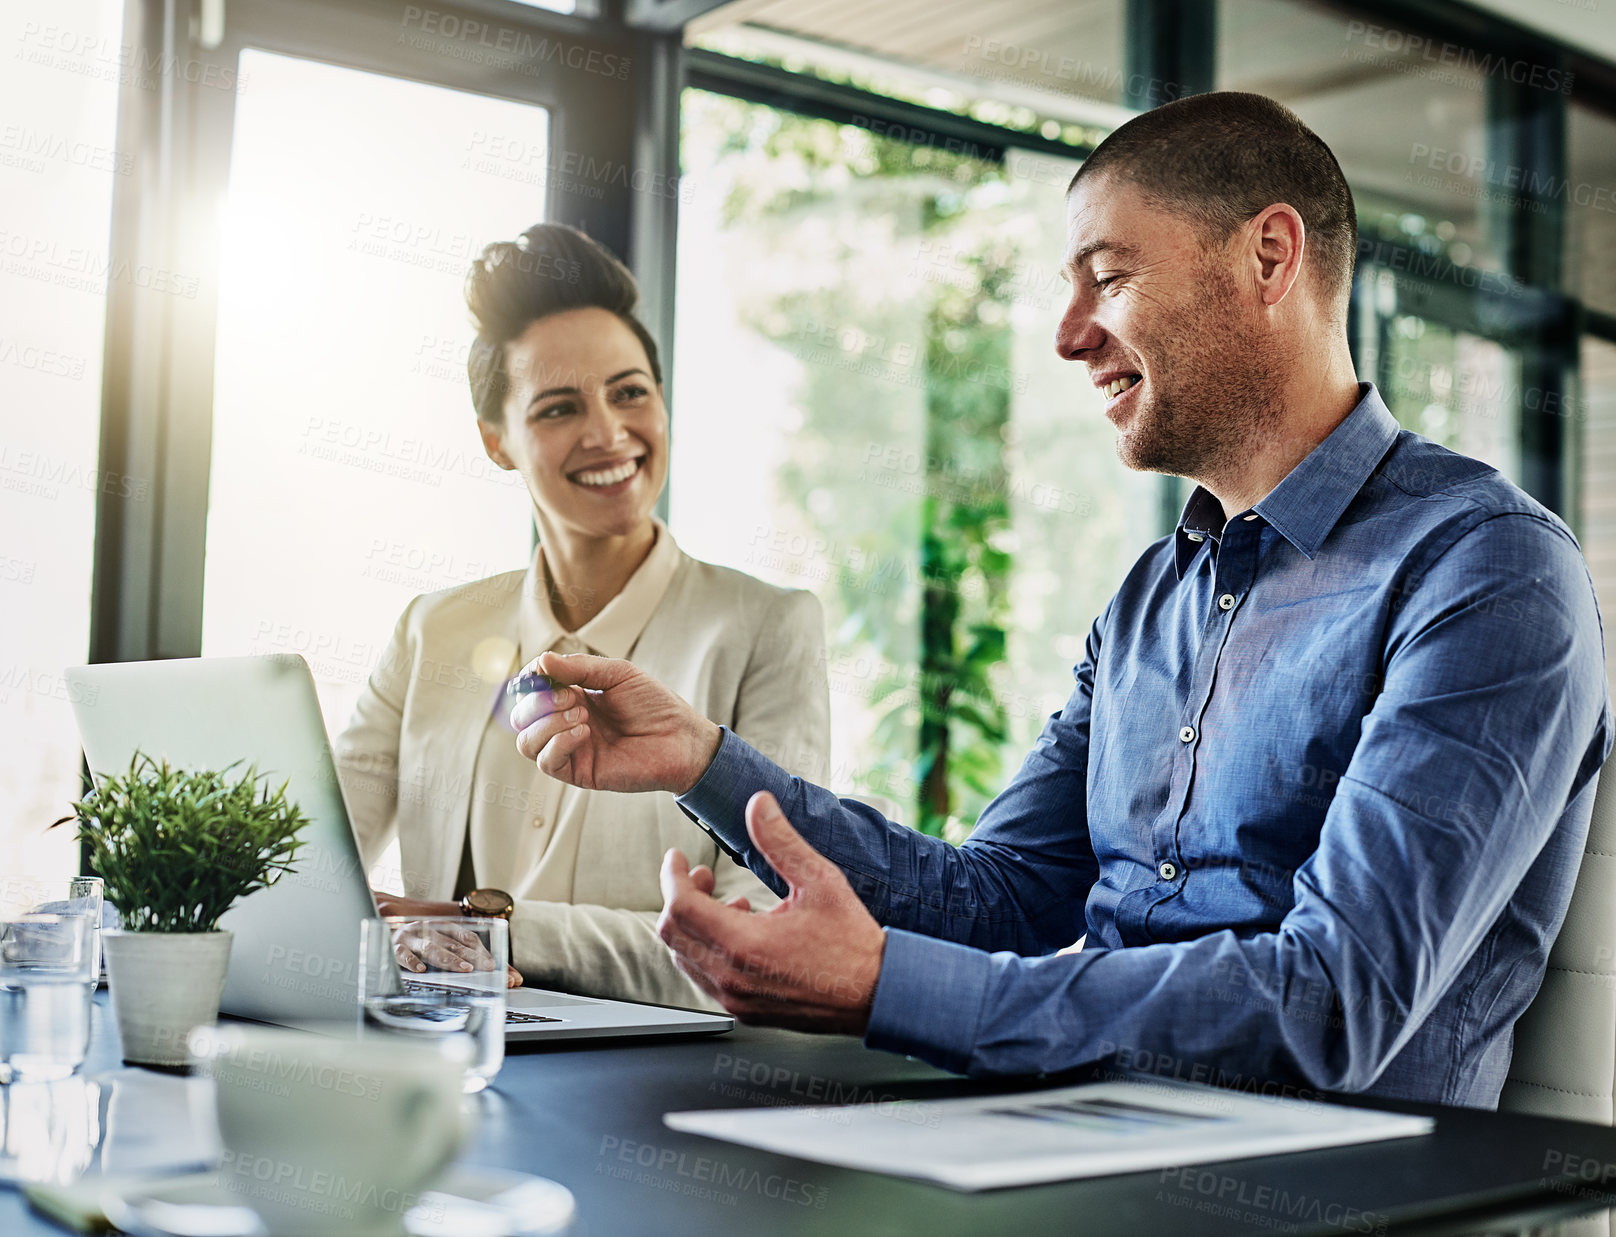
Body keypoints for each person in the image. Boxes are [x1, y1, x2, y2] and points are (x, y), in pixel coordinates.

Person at [511, 93, 1612, 1106]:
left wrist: (889, 984)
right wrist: (702, 759)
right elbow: (995, 900)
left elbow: (1333, 1002)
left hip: (1325, 1181)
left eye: (1108, 275)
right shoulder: (1148, 599)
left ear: (1268, 256)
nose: (1066, 333)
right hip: (1080, 1125)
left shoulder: (1484, 571)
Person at [335, 223, 830, 1007]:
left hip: (646, 1077)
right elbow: (307, 865)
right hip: (438, 1055)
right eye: (559, 407)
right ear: (497, 442)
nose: (608, 433)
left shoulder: (767, 628)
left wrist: (493, 926)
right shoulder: (431, 629)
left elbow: (760, 927)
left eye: (630, 392)